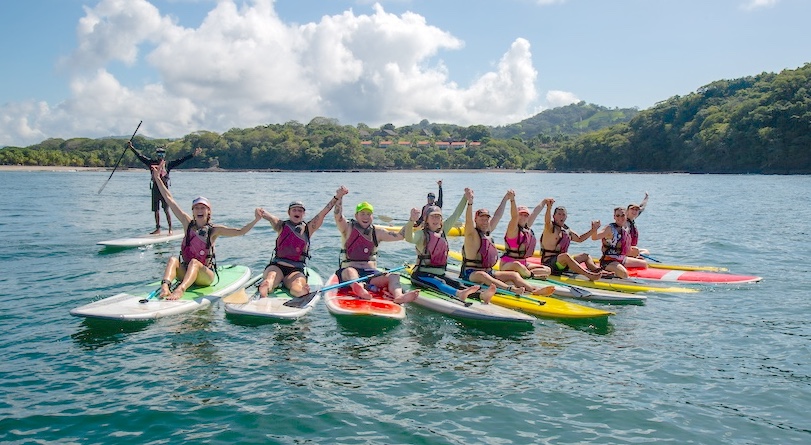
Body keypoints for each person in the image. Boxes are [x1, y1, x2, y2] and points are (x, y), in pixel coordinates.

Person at [150, 166, 261, 300]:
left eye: (203, 208)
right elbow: (169, 199)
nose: (199, 210)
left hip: (205, 276)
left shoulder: (214, 230)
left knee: (195, 263)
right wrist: (157, 178)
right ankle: (165, 287)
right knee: (173, 259)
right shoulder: (187, 223)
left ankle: (180, 289)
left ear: (208, 211)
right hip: (186, 271)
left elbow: (240, 231)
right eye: (196, 208)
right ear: (193, 211)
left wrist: (256, 220)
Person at [405, 188, 497, 304]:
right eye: (432, 216)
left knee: (457, 283)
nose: (435, 219)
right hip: (421, 275)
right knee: (439, 283)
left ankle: (482, 295)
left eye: (438, 216)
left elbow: (456, 214)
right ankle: (459, 294)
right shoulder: (421, 235)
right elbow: (409, 238)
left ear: (441, 219)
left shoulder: (443, 230)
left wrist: (466, 197)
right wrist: (410, 221)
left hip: (440, 274)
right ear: (426, 219)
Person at [255, 186, 349, 298]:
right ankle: (265, 287)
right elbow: (267, 215)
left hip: (295, 270)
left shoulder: (308, 229)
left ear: (303, 214)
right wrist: (259, 211)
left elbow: (323, 212)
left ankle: (299, 290)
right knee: (271, 278)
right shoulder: (281, 225)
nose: (297, 212)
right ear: (289, 212)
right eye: (294, 210)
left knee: (297, 287)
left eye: (300, 210)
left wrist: (337, 197)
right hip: (277, 266)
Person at [460, 190, 554, 297]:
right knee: (483, 275)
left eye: (486, 219)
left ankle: (534, 290)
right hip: (471, 273)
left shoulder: (487, 231)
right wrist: (470, 203)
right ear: (475, 220)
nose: (485, 221)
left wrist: (506, 198)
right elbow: (468, 221)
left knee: (513, 275)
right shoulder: (471, 235)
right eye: (481, 219)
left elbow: (498, 215)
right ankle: (510, 289)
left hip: (488, 272)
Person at [334, 193, 419, 303]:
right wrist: (339, 197)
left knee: (394, 276)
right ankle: (359, 288)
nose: (365, 217)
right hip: (349, 271)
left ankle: (398, 296)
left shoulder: (377, 232)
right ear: (356, 216)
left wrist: (411, 220)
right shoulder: (347, 228)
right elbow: (338, 216)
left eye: (368, 214)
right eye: (362, 213)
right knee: (351, 272)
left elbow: (399, 236)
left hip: (371, 274)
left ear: (372, 216)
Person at [129, 141, 201, 234]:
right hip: (155, 188)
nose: (160, 155)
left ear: (164, 155)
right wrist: (131, 148)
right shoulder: (151, 163)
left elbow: (181, 159)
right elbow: (140, 156)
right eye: (159, 154)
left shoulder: (168, 164)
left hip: (164, 189)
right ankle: (158, 228)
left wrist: (193, 155)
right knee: (156, 210)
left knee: (166, 209)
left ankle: (170, 228)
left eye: (162, 154)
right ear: (156, 155)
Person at [539, 198, 605, 281]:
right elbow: (547, 221)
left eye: (563, 215)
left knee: (585, 256)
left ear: (566, 217)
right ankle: (588, 275)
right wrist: (549, 208)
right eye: (559, 214)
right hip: (549, 264)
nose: (561, 216)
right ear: (554, 216)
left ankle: (597, 270)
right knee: (566, 256)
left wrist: (593, 230)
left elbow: (580, 239)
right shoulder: (550, 228)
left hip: (562, 264)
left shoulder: (566, 230)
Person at [498, 190, 551, 279]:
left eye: (525, 215)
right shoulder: (512, 229)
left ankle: (525, 273)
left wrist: (544, 202)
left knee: (547, 269)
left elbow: (535, 212)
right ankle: (533, 276)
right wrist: (512, 200)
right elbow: (514, 216)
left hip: (524, 264)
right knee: (517, 265)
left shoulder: (526, 228)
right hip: (508, 264)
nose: (523, 217)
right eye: (520, 215)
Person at [592, 207, 648, 279]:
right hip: (608, 261)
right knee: (624, 273)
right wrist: (594, 229)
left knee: (644, 264)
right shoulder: (609, 229)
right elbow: (594, 237)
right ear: (614, 217)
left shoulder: (624, 229)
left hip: (622, 259)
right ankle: (605, 273)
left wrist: (634, 252)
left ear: (626, 216)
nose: (620, 218)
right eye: (617, 215)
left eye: (622, 215)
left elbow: (624, 250)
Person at [626, 192, 649, 257]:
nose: (634, 211)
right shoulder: (624, 222)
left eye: (636, 210)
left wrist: (646, 197)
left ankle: (636, 257)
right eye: (632, 209)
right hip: (625, 250)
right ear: (627, 211)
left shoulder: (633, 218)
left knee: (646, 252)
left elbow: (642, 206)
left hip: (632, 249)